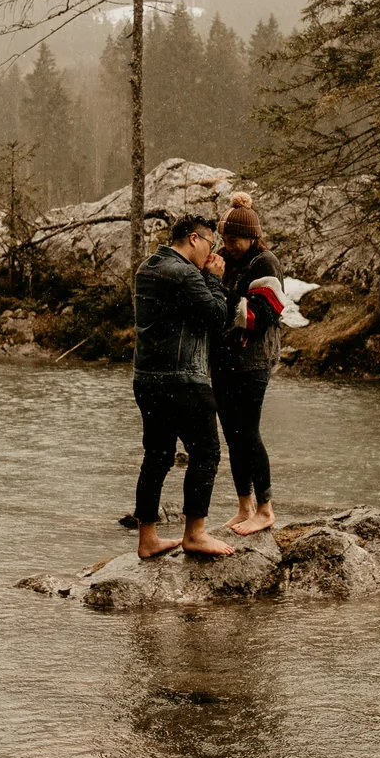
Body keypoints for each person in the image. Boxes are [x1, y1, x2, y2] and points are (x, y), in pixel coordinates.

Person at [131, 214, 236, 560]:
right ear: (193, 238)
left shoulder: (147, 267)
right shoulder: (186, 273)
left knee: (157, 456)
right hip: (185, 379)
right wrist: (214, 278)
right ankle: (195, 533)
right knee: (206, 453)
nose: (211, 252)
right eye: (209, 244)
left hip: (147, 379)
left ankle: (147, 539)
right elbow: (217, 317)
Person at [211, 198, 284, 537]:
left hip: (253, 361)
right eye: (225, 238)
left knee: (248, 432)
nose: (228, 246)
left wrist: (219, 293)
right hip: (223, 359)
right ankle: (244, 506)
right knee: (231, 433)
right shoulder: (224, 260)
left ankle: (266, 509)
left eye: (234, 240)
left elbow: (263, 312)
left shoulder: (264, 262)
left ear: (252, 237)